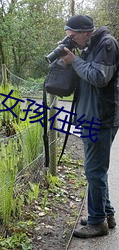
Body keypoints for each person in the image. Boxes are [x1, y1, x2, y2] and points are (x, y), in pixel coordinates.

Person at [61, 15, 119, 238]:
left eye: (73, 36)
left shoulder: (107, 44)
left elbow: (98, 77)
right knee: (96, 170)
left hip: (101, 117)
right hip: (90, 115)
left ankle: (97, 223)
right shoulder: (90, 46)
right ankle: (106, 214)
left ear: (85, 32)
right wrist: (70, 60)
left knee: (94, 171)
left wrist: (74, 61)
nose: (72, 41)